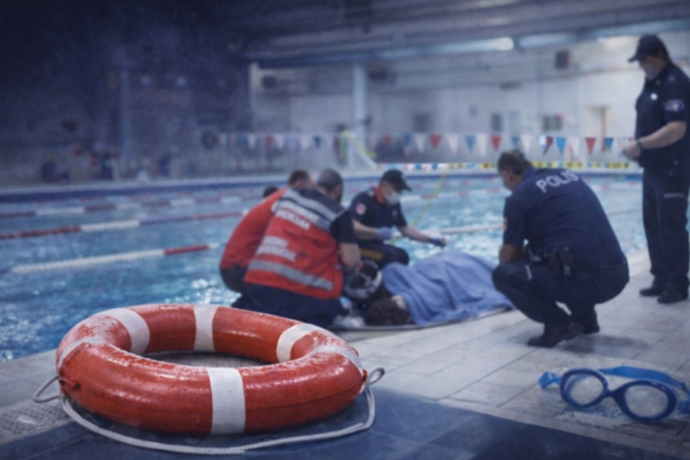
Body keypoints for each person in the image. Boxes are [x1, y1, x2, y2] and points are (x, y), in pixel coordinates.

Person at [491, 151, 629, 348]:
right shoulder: (566, 174)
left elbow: (509, 255)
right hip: (619, 275)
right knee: (563, 252)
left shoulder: (518, 198)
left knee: (504, 275)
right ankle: (585, 320)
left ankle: (558, 324)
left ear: (507, 175)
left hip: (590, 283)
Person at [240, 168, 362, 327]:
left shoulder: (289, 196)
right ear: (337, 190)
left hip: (257, 285)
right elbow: (351, 262)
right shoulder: (338, 214)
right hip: (299, 299)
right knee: (342, 265)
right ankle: (334, 313)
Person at [621, 35, 690, 304]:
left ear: (659, 55)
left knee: (671, 226)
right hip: (652, 167)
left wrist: (640, 144)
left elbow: (676, 129)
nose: (641, 65)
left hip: (673, 168)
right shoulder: (653, 82)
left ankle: (677, 283)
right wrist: (636, 143)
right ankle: (661, 277)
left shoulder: (675, 83)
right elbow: (647, 119)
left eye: (644, 60)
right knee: (652, 224)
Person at [342, 250, 514, 326]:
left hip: (446, 268)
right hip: (446, 263)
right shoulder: (394, 295)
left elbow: (430, 297)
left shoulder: (393, 276)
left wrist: (408, 301)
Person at [219, 170, 313, 294]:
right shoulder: (286, 201)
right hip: (236, 268)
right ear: (300, 185)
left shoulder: (280, 198)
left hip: (234, 266)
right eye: (313, 189)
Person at [349, 169, 446, 268]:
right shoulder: (366, 199)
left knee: (403, 256)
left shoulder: (394, 205)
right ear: (385, 185)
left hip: (376, 245)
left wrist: (430, 239)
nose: (399, 193)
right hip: (357, 246)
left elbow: (405, 229)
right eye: (396, 188)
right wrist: (376, 232)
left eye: (401, 190)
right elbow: (351, 225)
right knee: (389, 256)